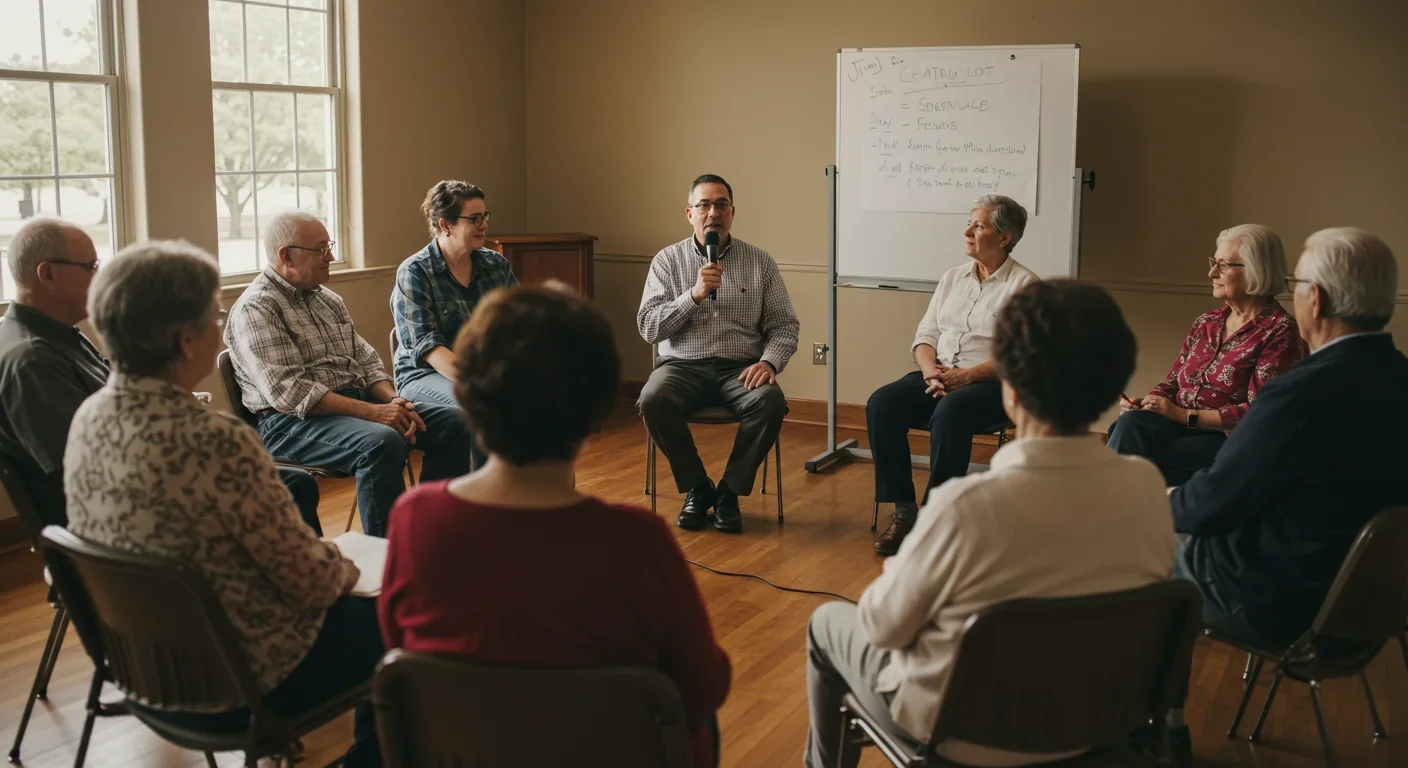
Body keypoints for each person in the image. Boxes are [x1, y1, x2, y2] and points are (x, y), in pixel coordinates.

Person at [805, 280, 1175, 768]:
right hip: (1095, 726)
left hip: (963, 734)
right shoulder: (1149, 488)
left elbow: (883, 625)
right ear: (1114, 387)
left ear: (1011, 391)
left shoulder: (965, 506)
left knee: (826, 623)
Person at [380, 283, 731, 767]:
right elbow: (703, 688)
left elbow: (405, 661)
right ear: (593, 409)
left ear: (469, 394)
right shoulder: (636, 540)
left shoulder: (415, 519)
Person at [63, 241, 383, 767]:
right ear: (187, 340)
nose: (221, 325)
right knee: (406, 611)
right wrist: (351, 566)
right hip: (237, 682)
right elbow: (313, 582)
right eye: (215, 312)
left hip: (144, 673)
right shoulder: (215, 441)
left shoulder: (88, 419)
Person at [1161, 228, 1408, 759]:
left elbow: (1208, 507)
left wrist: (1153, 503)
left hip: (1280, 600)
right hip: (1371, 610)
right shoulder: (1400, 379)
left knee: (1143, 547)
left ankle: (1161, 726)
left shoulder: (1300, 394)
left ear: (1313, 298)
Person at [0, 218, 322, 532]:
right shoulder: (30, 359)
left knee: (292, 482)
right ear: (48, 273)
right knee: (284, 489)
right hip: (121, 525)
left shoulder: (56, 335)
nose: (98, 277)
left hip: (135, 496)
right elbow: (83, 470)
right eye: (90, 266)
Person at [225, 210, 473, 537]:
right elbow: (291, 393)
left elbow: (367, 362)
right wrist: (374, 412)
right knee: (381, 442)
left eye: (330, 246)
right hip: (289, 423)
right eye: (321, 249)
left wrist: (395, 402)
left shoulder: (328, 299)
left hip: (355, 408)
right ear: (286, 256)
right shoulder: (257, 307)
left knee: (455, 423)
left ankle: (432, 532)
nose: (330, 256)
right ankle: (388, 555)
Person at [865, 195, 1039, 556]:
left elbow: (1022, 355)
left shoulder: (1025, 286)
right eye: (970, 223)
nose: (967, 231)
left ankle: (938, 518)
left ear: (1004, 238)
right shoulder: (952, 278)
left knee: (951, 412)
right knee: (883, 403)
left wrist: (969, 375)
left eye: (978, 225)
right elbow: (925, 337)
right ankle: (904, 510)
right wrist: (930, 371)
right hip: (939, 374)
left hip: (994, 384)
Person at [636, 174, 799, 534]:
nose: (713, 212)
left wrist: (769, 361)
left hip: (740, 369)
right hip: (681, 366)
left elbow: (785, 325)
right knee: (652, 399)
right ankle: (697, 487)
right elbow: (649, 327)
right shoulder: (667, 261)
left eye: (721, 204)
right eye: (704, 205)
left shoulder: (760, 263)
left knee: (770, 402)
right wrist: (693, 295)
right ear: (689, 213)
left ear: (732, 212)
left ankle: (728, 493)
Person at [1107, 224, 1305, 485]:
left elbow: (1259, 414)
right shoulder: (1207, 322)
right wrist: (1150, 402)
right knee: (1131, 424)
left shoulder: (1279, 331)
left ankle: (1110, 508)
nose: (1212, 272)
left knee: (1149, 453)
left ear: (1257, 269)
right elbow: (1173, 383)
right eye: (1215, 262)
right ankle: (1121, 507)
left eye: (1224, 265)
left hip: (1226, 438)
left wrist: (1182, 415)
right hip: (1177, 423)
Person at [391, 180, 517, 468]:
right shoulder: (415, 272)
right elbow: (430, 350)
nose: (484, 225)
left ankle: (529, 499)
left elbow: (518, 328)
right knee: (485, 407)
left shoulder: (496, 265)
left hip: (488, 375)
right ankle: (483, 500)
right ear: (445, 224)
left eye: (484, 216)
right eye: (474, 219)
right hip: (423, 376)